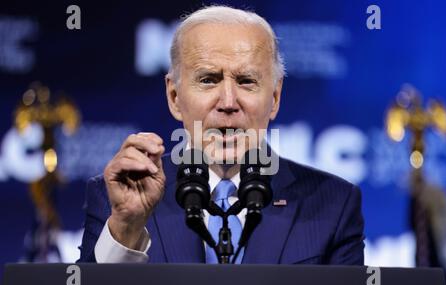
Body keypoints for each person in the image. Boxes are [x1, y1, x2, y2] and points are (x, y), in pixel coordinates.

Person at [78, 5, 365, 264]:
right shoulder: (119, 198)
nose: (228, 102)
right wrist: (126, 229)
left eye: (246, 81)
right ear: (174, 96)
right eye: (208, 80)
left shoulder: (333, 204)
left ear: (275, 98)